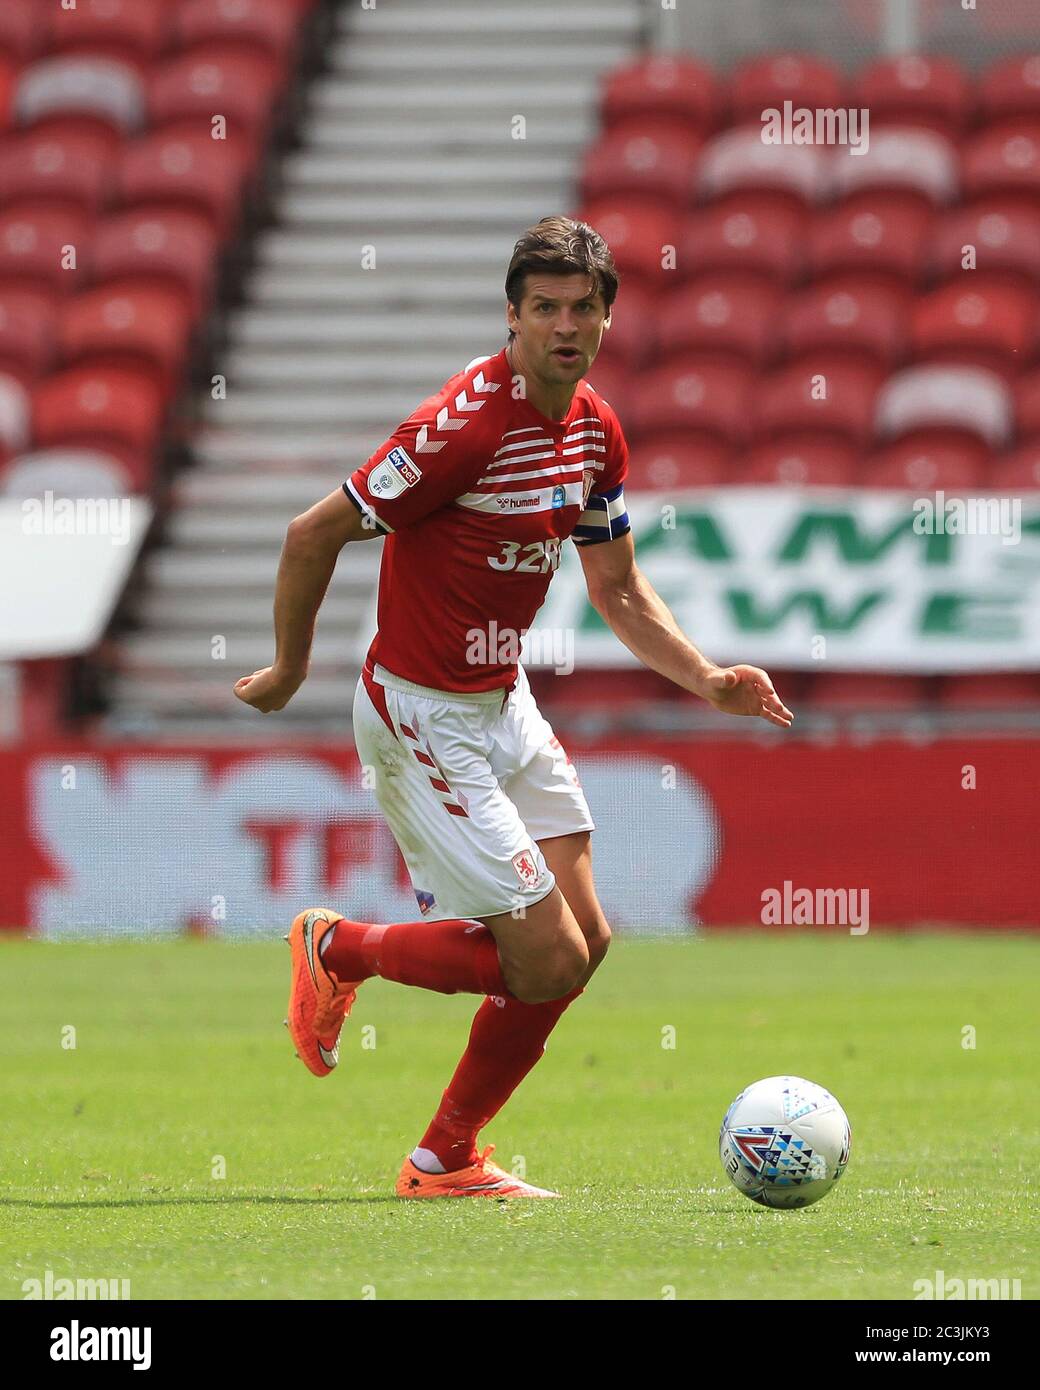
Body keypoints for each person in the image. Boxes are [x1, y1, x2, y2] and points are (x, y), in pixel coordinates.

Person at [234, 215, 793, 1198]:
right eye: (544, 309)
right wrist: (287, 669)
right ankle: (337, 947)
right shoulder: (465, 427)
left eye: (582, 308)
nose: (563, 326)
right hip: (421, 713)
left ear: (608, 319)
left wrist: (707, 677)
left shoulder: (591, 430)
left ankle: (444, 1158)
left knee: (586, 942)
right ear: (512, 315)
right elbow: (311, 531)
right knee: (541, 958)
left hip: (501, 701)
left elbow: (616, 588)